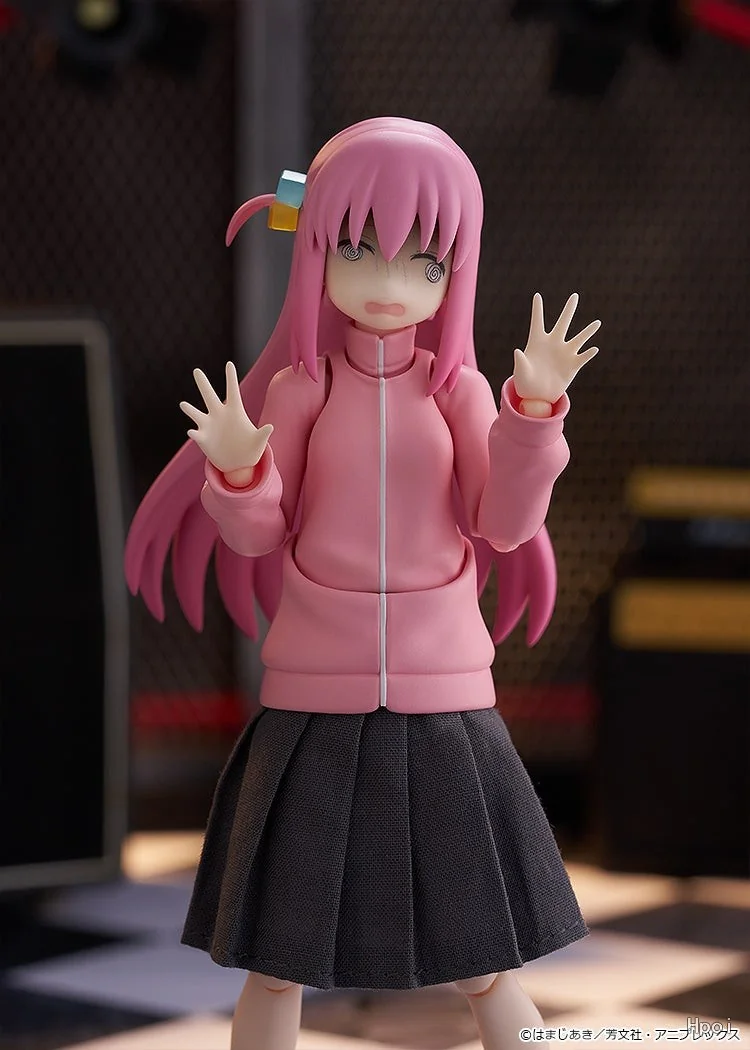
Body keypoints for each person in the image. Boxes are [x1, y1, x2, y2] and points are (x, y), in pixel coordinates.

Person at [125, 116, 601, 1050]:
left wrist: (534, 414)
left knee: (485, 959)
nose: (388, 284)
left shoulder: (458, 392)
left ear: (455, 271)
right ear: (314, 247)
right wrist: (237, 471)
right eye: (357, 250)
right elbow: (262, 533)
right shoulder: (302, 389)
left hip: (444, 697)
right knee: (277, 960)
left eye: (424, 262)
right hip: (316, 697)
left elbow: (503, 521)